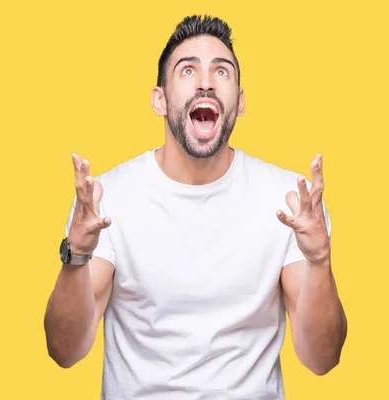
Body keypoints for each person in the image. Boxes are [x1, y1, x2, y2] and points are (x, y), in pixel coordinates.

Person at [43, 14, 347, 399]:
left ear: (238, 102)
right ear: (160, 99)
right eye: (188, 70)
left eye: (222, 71)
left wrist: (320, 260)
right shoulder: (106, 200)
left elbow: (322, 358)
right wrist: (77, 257)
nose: (206, 81)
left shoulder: (290, 201)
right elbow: (64, 351)